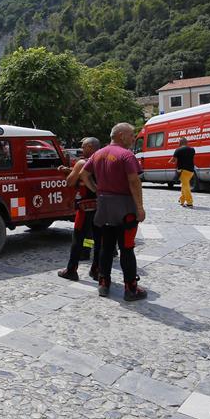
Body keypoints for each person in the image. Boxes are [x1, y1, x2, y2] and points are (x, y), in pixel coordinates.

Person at [81, 123, 147, 301]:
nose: (133, 138)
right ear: (121, 135)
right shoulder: (126, 155)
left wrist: (96, 190)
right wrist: (140, 207)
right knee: (126, 248)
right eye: (131, 135)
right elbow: (134, 182)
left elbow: (84, 174)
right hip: (125, 208)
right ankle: (131, 288)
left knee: (105, 246)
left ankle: (104, 282)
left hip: (104, 206)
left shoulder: (98, 154)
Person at [57, 137, 102, 281]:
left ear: (89, 147)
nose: (82, 149)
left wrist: (72, 173)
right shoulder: (103, 161)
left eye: (83, 146)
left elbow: (70, 181)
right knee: (98, 239)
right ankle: (96, 270)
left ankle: (71, 269)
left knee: (77, 237)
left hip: (85, 206)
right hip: (101, 205)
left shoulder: (82, 162)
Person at [169, 137, 196, 208]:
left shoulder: (178, 150)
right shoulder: (192, 150)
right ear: (187, 143)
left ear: (180, 143)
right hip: (191, 171)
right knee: (184, 185)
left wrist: (169, 161)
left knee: (186, 186)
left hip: (183, 171)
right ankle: (182, 200)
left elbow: (173, 160)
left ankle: (190, 202)